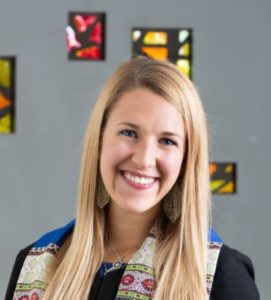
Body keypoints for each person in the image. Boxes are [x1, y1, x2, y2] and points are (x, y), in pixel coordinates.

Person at [5, 57, 260, 300]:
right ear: (100, 139)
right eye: (129, 132)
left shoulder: (221, 276)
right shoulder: (35, 263)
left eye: (167, 141)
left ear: (185, 160)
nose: (144, 159)